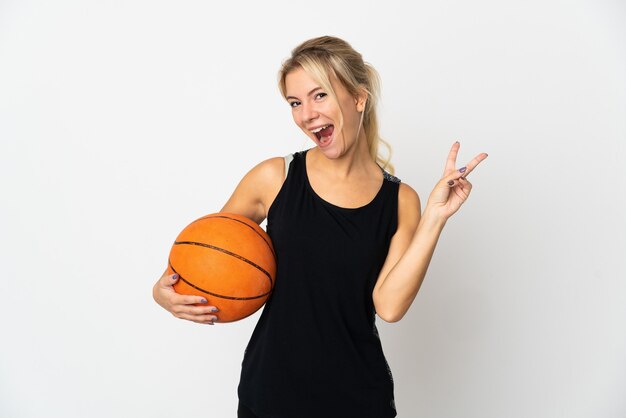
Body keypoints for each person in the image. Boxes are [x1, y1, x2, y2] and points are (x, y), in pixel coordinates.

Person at [153, 35, 487, 418]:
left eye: (319, 96)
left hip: (359, 400)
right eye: (295, 103)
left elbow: (390, 306)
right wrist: (161, 292)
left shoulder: (401, 201)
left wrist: (435, 218)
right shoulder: (273, 177)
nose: (306, 114)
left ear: (358, 98)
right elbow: (202, 256)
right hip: (270, 396)